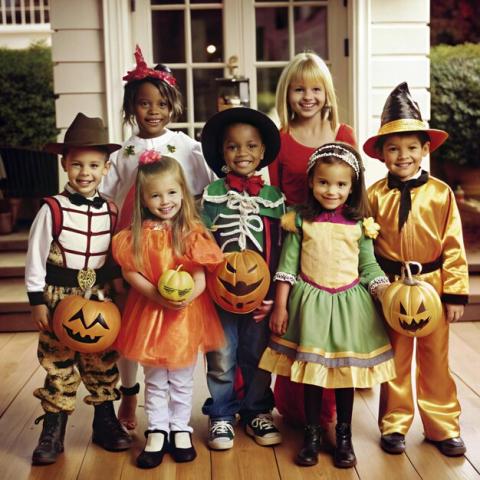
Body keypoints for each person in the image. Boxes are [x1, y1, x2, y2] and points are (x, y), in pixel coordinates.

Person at [259, 142, 396, 468]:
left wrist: (385, 292)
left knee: (344, 374)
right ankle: (312, 433)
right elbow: (287, 267)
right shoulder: (299, 222)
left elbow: (369, 267)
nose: (331, 190)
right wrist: (280, 306)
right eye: (324, 182)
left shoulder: (360, 225)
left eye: (340, 184)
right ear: (311, 181)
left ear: (352, 186)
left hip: (350, 307)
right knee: (312, 374)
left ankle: (344, 434)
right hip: (311, 306)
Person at [101, 45, 215, 430]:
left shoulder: (185, 146)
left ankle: (175, 418)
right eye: (144, 104)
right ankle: (130, 396)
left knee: (171, 326)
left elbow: (200, 191)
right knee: (133, 324)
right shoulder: (122, 153)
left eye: (161, 104)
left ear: (173, 106)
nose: (153, 111)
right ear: (131, 107)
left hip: (175, 250)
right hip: (134, 248)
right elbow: (108, 199)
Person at [364, 82, 469, 457]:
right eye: (393, 148)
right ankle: (394, 423)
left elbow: (453, 245)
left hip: (433, 286)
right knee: (394, 358)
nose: (402, 155)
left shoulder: (441, 194)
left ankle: (442, 425)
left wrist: (455, 292)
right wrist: (373, 288)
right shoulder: (374, 195)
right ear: (381, 154)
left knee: (435, 358)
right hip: (391, 288)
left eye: (411, 148)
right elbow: (366, 244)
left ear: (425, 150)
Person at [25, 113, 132, 466]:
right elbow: (36, 258)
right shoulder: (52, 209)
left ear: (105, 168)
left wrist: (119, 290)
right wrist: (37, 300)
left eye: (93, 165)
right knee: (59, 364)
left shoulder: (112, 211)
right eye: (77, 165)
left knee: (101, 362)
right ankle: (53, 429)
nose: (85, 173)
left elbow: (112, 256)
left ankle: (105, 421)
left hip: (99, 296)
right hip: (59, 296)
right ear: (64, 164)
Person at [112, 150, 224, 469]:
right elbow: (130, 272)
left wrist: (186, 299)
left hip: (186, 317)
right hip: (150, 313)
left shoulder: (190, 232)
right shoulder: (135, 235)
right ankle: (157, 429)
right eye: (156, 195)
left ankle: (180, 429)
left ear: (183, 193)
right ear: (143, 199)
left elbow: (200, 274)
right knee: (156, 377)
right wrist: (156, 296)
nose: (165, 201)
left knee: (182, 378)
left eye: (172, 192)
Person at [268, 51, 357, 429]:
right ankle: (296, 409)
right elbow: (273, 196)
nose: (307, 96)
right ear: (286, 94)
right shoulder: (280, 139)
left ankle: (330, 413)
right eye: (298, 89)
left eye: (316, 88)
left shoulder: (344, 134)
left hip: (335, 242)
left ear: (327, 93)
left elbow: (354, 193)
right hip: (293, 237)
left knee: (332, 326)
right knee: (297, 323)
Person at [200, 107, 286, 450]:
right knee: (221, 355)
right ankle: (221, 413)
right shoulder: (211, 197)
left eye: (251, 146)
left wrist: (276, 295)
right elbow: (200, 243)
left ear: (262, 152)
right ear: (223, 152)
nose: (243, 153)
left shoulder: (274, 200)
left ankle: (256, 411)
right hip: (219, 295)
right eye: (233, 147)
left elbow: (282, 250)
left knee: (257, 353)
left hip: (261, 295)